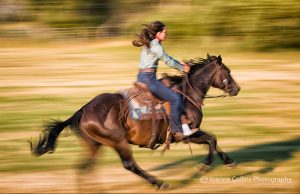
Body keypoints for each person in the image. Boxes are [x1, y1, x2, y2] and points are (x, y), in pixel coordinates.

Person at [132, 21, 194, 140]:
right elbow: (168, 61)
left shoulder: (150, 44)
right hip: (149, 80)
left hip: (142, 77)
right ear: (158, 33)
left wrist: (178, 63)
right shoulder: (156, 46)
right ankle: (176, 129)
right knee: (175, 98)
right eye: (165, 32)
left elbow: (168, 57)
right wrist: (183, 68)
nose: (166, 34)